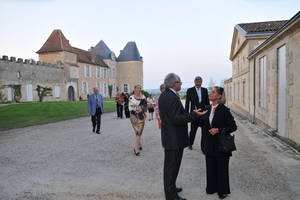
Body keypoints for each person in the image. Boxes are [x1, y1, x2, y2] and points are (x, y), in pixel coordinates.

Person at [159, 73, 207, 200]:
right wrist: (193, 115)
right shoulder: (170, 96)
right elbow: (176, 119)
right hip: (173, 139)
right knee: (171, 167)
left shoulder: (167, 95)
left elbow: (175, 115)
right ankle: (171, 195)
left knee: (172, 166)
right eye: (180, 82)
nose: (181, 84)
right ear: (174, 84)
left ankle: (171, 187)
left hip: (172, 138)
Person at [194, 86, 237, 199]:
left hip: (221, 144)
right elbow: (202, 123)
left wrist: (219, 130)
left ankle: (222, 190)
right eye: (210, 91)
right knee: (210, 166)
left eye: (213, 92)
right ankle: (211, 187)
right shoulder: (207, 108)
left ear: (218, 96)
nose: (210, 93)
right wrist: (196, 116)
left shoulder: (224, 110)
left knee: (222, 168)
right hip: (208, 143)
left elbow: (233, 126)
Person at [185, 76, 209, 150]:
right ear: (194, 82)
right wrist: (186, 115)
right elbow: (187, 103)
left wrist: (208, 112)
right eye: (197, 81)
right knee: (193, 131)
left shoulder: (205, 90)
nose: (198, 83)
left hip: (203, 114)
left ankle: (203, 147)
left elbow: (207, 102)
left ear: (201, 82)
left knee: (204, 132)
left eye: (200, 81)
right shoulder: (190, 90)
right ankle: (190, 143)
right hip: (194, 114)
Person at [129, 85, 148, 156]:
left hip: (141, 117)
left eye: (140, 88)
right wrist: (138, 108)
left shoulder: (143, 97)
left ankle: (138, 144)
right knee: (137, 132)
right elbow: (130, 107)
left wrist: (141, 109)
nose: (139, 89)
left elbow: (145, 106)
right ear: (134, 89)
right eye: (137, 88)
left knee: (139, 132)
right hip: (133, 117)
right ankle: (136, 148)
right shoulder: (131, 97)